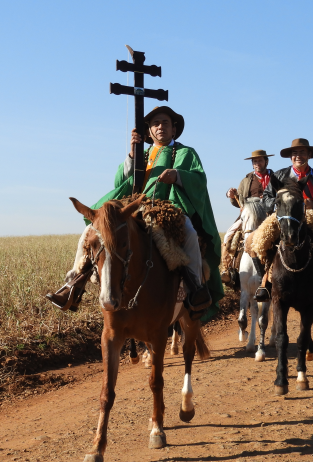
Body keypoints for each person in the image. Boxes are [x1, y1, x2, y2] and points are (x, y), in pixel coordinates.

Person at [45, 106, 223, 318]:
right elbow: (120, 182)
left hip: (168, 207)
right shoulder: (142, 153)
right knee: (92, 231)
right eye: (155, 124)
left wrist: (177, 175)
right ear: (149, 131)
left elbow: (199, 180)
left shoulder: (186, 153)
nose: (160, 127)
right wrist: (131, 153)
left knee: (190, 233)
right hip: (134, 205)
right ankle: (74, 284)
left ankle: (196, 289)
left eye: (165, 122)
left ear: (174, 129)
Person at [254, 137, 313, 301]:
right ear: (290, 156)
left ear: (309, 155)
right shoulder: (278, 175)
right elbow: (266, 200)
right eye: (294, 153)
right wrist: (280, 205)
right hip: (285, 215)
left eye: (302, 152)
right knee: (255, 240)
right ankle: (264, 282)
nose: (298, 156)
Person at [220, 150, 279, 285]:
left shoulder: (276, 178)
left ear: (266, 162)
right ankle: (226, 270)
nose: (257, 163)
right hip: (249, 217)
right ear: (252, 164)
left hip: (270, 216)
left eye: (260, 160)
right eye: (255, 161)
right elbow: (238, 202)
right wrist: (231, 195)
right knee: (229, 235)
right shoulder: (246, 180)